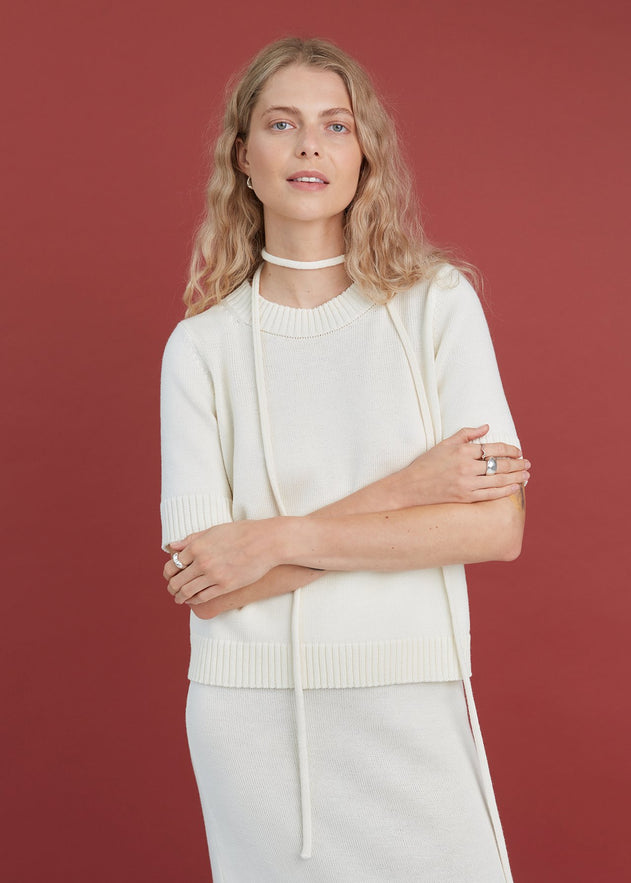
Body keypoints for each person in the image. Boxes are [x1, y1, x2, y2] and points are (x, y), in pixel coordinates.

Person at [160, 36, 529, 883]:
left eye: (335, 124)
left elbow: (495, 528)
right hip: (250, 715)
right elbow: (211, 583)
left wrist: (265, 540)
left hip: (410, 693)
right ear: (243, 158)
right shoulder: (199, 349)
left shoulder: (437, 305)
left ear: (365, 155)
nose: (309, 145)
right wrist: (409, 491)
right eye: (281, 123)